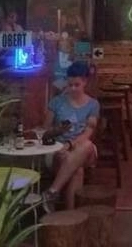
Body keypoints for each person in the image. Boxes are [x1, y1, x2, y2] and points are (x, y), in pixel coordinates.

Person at [41, 61, 100, 210]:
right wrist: (58, 131)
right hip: (58, 148)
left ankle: (52, 191)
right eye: (70, 85)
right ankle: (71, 215)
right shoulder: (57, 102)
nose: (73, 88)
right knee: (77, 171)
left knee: (86, 145)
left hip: (82, 148)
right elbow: (45, 130)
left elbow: (88, 133)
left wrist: (70, 145)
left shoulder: (93, 104)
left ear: (85, 82)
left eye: (77, 85)